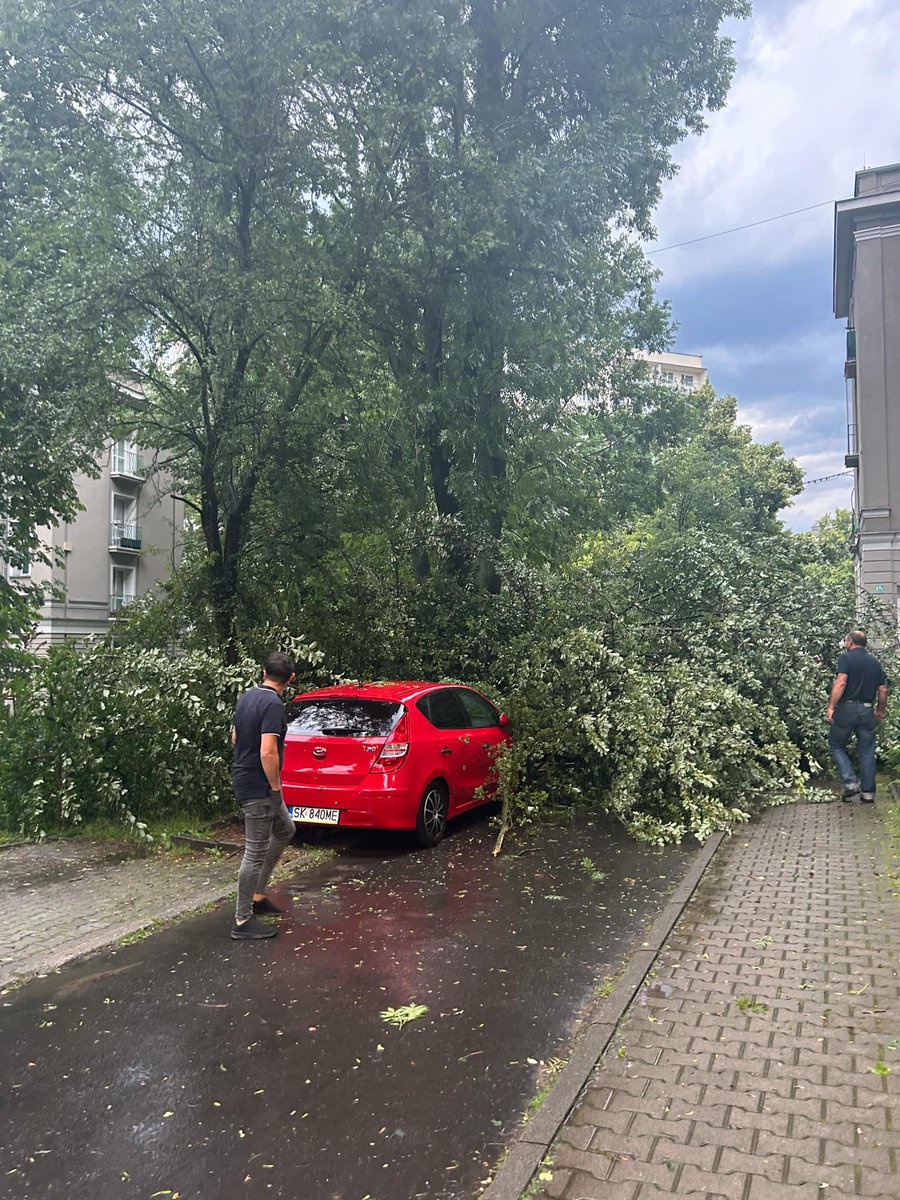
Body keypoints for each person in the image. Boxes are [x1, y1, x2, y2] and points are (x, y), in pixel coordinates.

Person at [230, 651, 297, 939]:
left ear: (263, 672)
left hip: (250, 779)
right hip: (260, 786)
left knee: (285, 829)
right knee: (254, 853)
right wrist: (275, 786)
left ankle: (257, 896)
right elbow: (268, 750)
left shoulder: (248, 696)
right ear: (291, 679)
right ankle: (242, 921)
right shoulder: (272, 705)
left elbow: (234, 737)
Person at [826, 630, 888, 804]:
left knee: (836, 744)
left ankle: (851, 782)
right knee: (867, 750)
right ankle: (868, 793)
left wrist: (831, 707)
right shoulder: (875, 662)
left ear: (850, 642)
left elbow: (841, 682)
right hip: (867, 710)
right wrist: (880, 710)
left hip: (847, 708)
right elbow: (883, 689)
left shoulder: (846, 658)